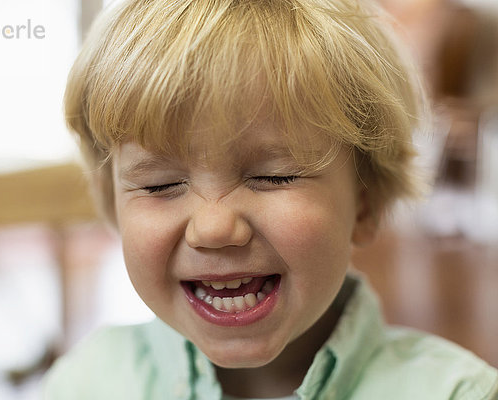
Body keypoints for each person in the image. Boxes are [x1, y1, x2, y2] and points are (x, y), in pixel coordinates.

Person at [43, 0, 498, 398]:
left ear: (364, 200)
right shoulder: (86, 384)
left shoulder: (457, 393)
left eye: (273, 176)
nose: (214, 227)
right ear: (114, 205)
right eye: (160, 185)